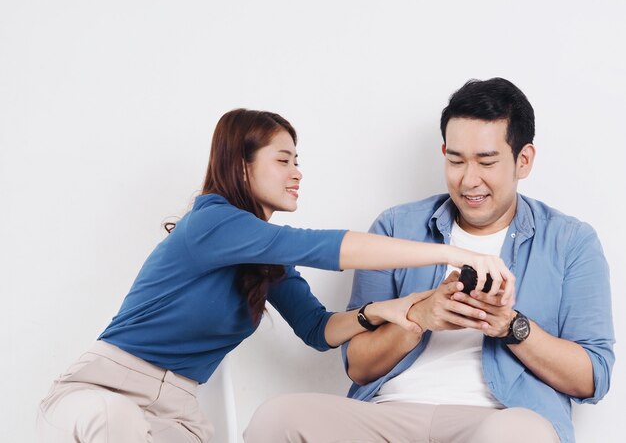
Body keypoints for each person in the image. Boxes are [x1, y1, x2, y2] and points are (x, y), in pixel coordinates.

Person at [36, 109, 512, 443]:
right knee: (116, 420)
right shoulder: (211, 222)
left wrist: (380, 311)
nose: (297, 172)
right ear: (242, 167)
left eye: (297, 159)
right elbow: (328, 247)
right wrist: (456, 250)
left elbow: (318, 330)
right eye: (283, 159)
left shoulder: (265, 253)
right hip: (104, 390)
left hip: (175, 412)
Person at [244, 78, 615, 443]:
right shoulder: (395, 227)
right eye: (456, 160)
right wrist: (420, 317)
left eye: (486, 162)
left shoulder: (570, 241)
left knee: (518, 435)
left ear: (524, 160)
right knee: (277, 419)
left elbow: (592, 378)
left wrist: (509, 326)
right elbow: (358, 364)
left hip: (498, 418)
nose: (469, 180)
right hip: (389, 413)